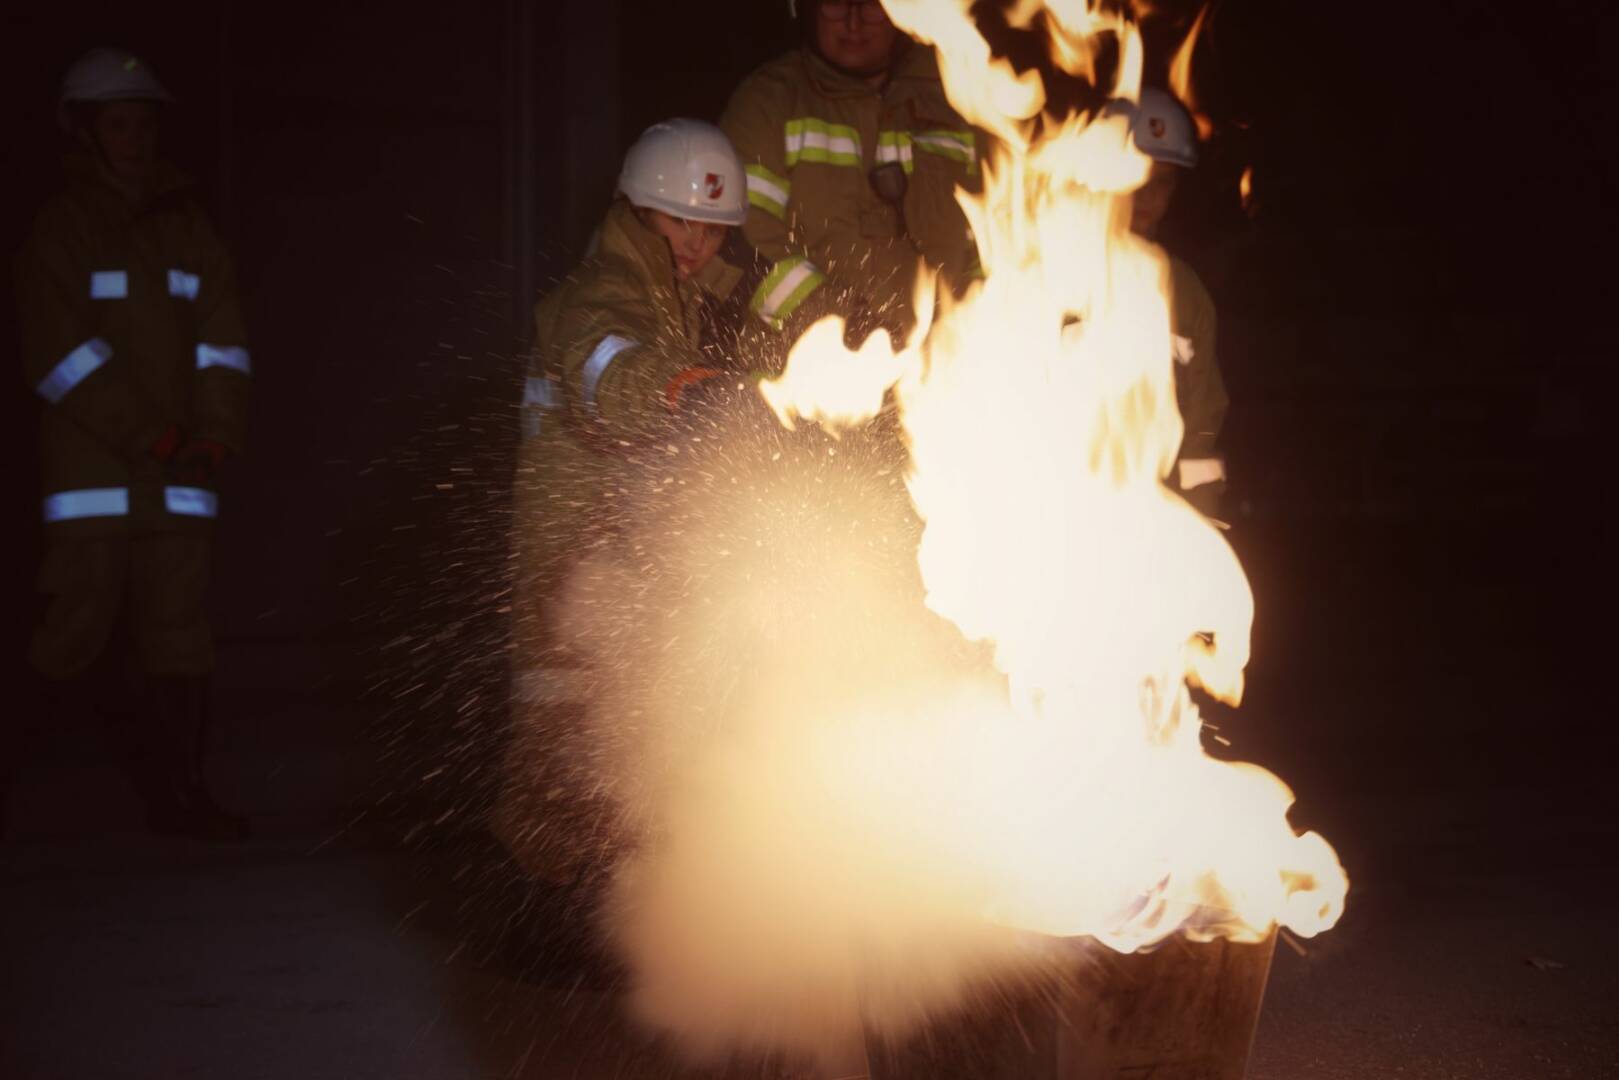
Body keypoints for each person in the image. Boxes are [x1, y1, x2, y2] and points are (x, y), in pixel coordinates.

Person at [493, 119, 759, 898]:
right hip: (568, 553)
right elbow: (609, 366)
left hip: (613, 549)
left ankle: (604, 896)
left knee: (620, 729)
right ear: (635, 209)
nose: (696, 242)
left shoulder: (667, 286)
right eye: (680, 220)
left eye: (711, 228)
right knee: (559, 726)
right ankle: (537, 906)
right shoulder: (599, 293)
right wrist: (677, 393)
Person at [14, 48, 251, 840]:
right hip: (97, 474)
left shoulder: (187, 228)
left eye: (144, 121)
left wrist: (214, 435)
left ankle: (180, 796)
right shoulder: (63, 228)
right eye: (119, 123)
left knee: (179, 634)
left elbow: (223, 343)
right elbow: (59, 356)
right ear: (81, 132)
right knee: (71, 633)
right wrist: (151, 433)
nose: (136, 138)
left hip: (180, 472)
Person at [720, 0, 983, 345]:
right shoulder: (768, 104)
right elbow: (742, 247)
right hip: (803, 379)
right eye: (836, 2)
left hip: (944, 376)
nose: (853, 22)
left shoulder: (957, 102)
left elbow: (995, 240)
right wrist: (842, 327)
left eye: (871, 5)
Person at [1115, 86, 1231, 519]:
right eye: (1139, 175)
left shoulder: (1187, 295)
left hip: (1154, 521)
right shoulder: (1059, 271)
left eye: (1162, 182)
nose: (1148, 195)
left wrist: (1204, 519)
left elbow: (1202, 429)